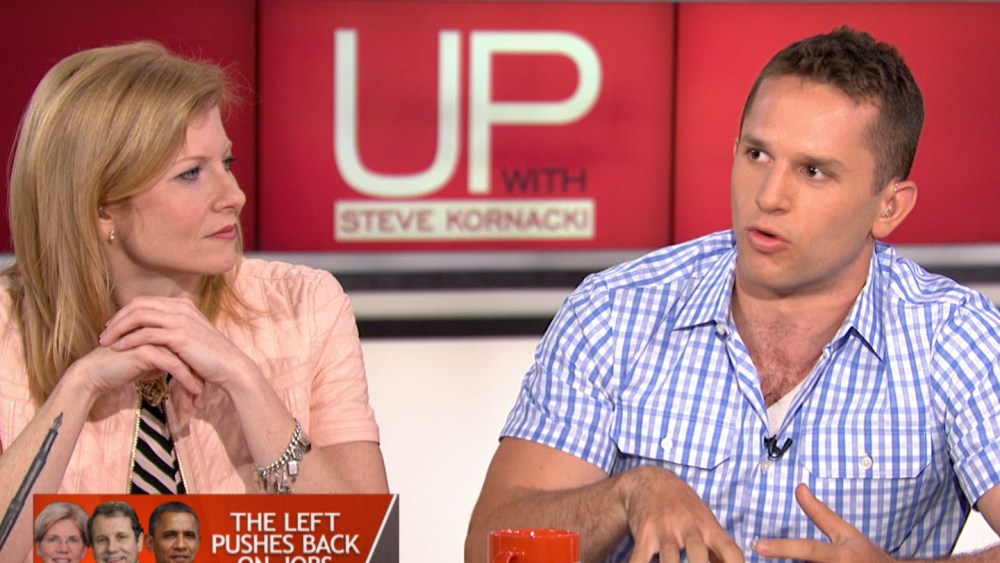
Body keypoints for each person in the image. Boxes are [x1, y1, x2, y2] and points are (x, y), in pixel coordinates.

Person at [466, 26, 1000, 563]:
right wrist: (628, 495)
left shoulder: (953, 338)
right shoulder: (616, 311)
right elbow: (491, 550)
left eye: (813, 171)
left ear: (889, 207)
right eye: (757, 154)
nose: (769, 196)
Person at [0, 41, 388, 562]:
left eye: (226, 163)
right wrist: (80, 385)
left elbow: (367, 550)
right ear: (100, 208)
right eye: (191, 174)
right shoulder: (7, 328)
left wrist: (246, 382)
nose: (234, 196)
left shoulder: (304, 305)